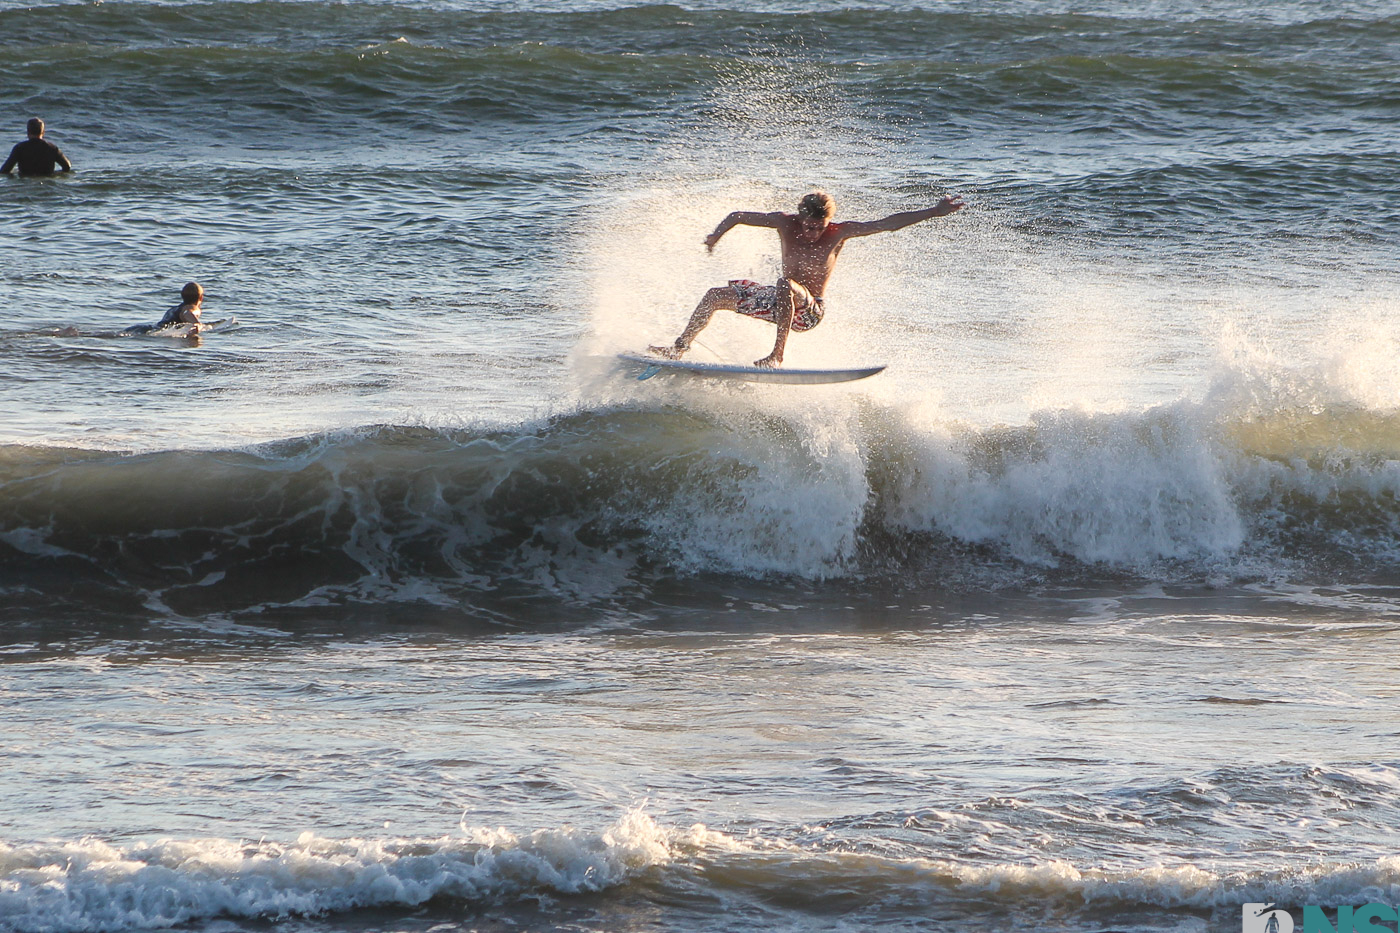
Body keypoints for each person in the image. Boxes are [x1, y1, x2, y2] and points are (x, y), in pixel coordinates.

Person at [650, 190, 965, 367]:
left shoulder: (840, 233)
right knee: (714, 295)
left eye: (819, 227)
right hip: (781, 303)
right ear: (799, 218)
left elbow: (888, 224)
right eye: (807, 225)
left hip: (810, 312)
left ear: (828, 222)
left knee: (785, 284)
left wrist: (932, 212)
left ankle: (777, 355)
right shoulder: (784, 223)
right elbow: (737, 216)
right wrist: (715, 236)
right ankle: (678, 348)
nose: (812, 233)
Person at [1, 118, 72, 176]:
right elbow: (67, 166)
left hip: (25, 183)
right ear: (43, 132)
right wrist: (56, 175)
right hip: (47, 184)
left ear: (28, 132)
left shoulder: (20, 148)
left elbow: (4, 170)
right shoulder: (52, 148)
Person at [126, 282, 204, 334]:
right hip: (155, 332)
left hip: (145, 328)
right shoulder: (192, 307)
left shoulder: (173, 309)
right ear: (201, 297)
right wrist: (197, 325)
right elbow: (187, 313)